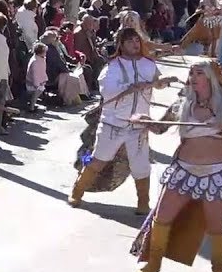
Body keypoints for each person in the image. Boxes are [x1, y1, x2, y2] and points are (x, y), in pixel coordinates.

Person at [132, 60, 222, 272]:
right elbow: (160, 127)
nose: (192, 77)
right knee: (161, 218)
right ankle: (154, 263)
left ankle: (218, 271)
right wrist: (144, 121)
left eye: (198, 73)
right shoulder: (182, 103)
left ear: (210, 78)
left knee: (215, 227)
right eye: (191, 73)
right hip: (183, 170)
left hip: (216, 172)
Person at [69, 27, 172, 214]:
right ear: (121, 45)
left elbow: (158, 81)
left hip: (139, 125)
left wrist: (163, 81)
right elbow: (107, 91)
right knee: (99, 160)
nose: (135, 44)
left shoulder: (148, 64)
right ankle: (77, 191)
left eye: (137, 40)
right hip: (112, 124)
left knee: (141, 166)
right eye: (130, 41)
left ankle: (143, 203)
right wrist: (130, 87)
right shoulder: (112, 66)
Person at [26, 42, 49, 110]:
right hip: (32, 82)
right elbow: (35, 74)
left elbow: (42, 70)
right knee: (36, 93)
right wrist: (36, 84)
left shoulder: (42, 59)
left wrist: (44, 78)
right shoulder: (35, 61)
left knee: (39, 92)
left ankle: (33, 104)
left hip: (40, 81)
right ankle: (31, 107)